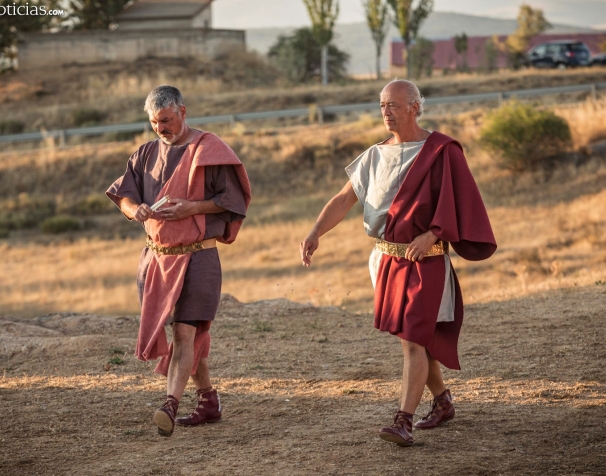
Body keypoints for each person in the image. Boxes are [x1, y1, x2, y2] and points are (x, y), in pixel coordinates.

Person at [299, 80, 496, 447]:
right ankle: (442, 401)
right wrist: (315, 232)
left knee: (412, 341)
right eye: (381, 105)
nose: (386, 112)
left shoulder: (441, 150)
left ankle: (402, 420)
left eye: (393, 104)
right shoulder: (375, 155)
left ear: (415, 107)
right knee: (411, 339)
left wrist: (434, 234)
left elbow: (461, 201)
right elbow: (344, 199)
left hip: (424, 260)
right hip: (385, 259)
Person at [106, 85, 251, 437]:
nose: (161, 128)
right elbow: (122, 194)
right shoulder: (144, 153)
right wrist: (134, 209)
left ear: (183, 112)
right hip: (156, 261)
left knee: (186, 331)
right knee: (188, 334)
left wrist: (193, 207)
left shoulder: (210, 149)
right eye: (154, 122)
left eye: (166, 120)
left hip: (198, 257)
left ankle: (170, 403)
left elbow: (231, 199)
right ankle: (208, 399)